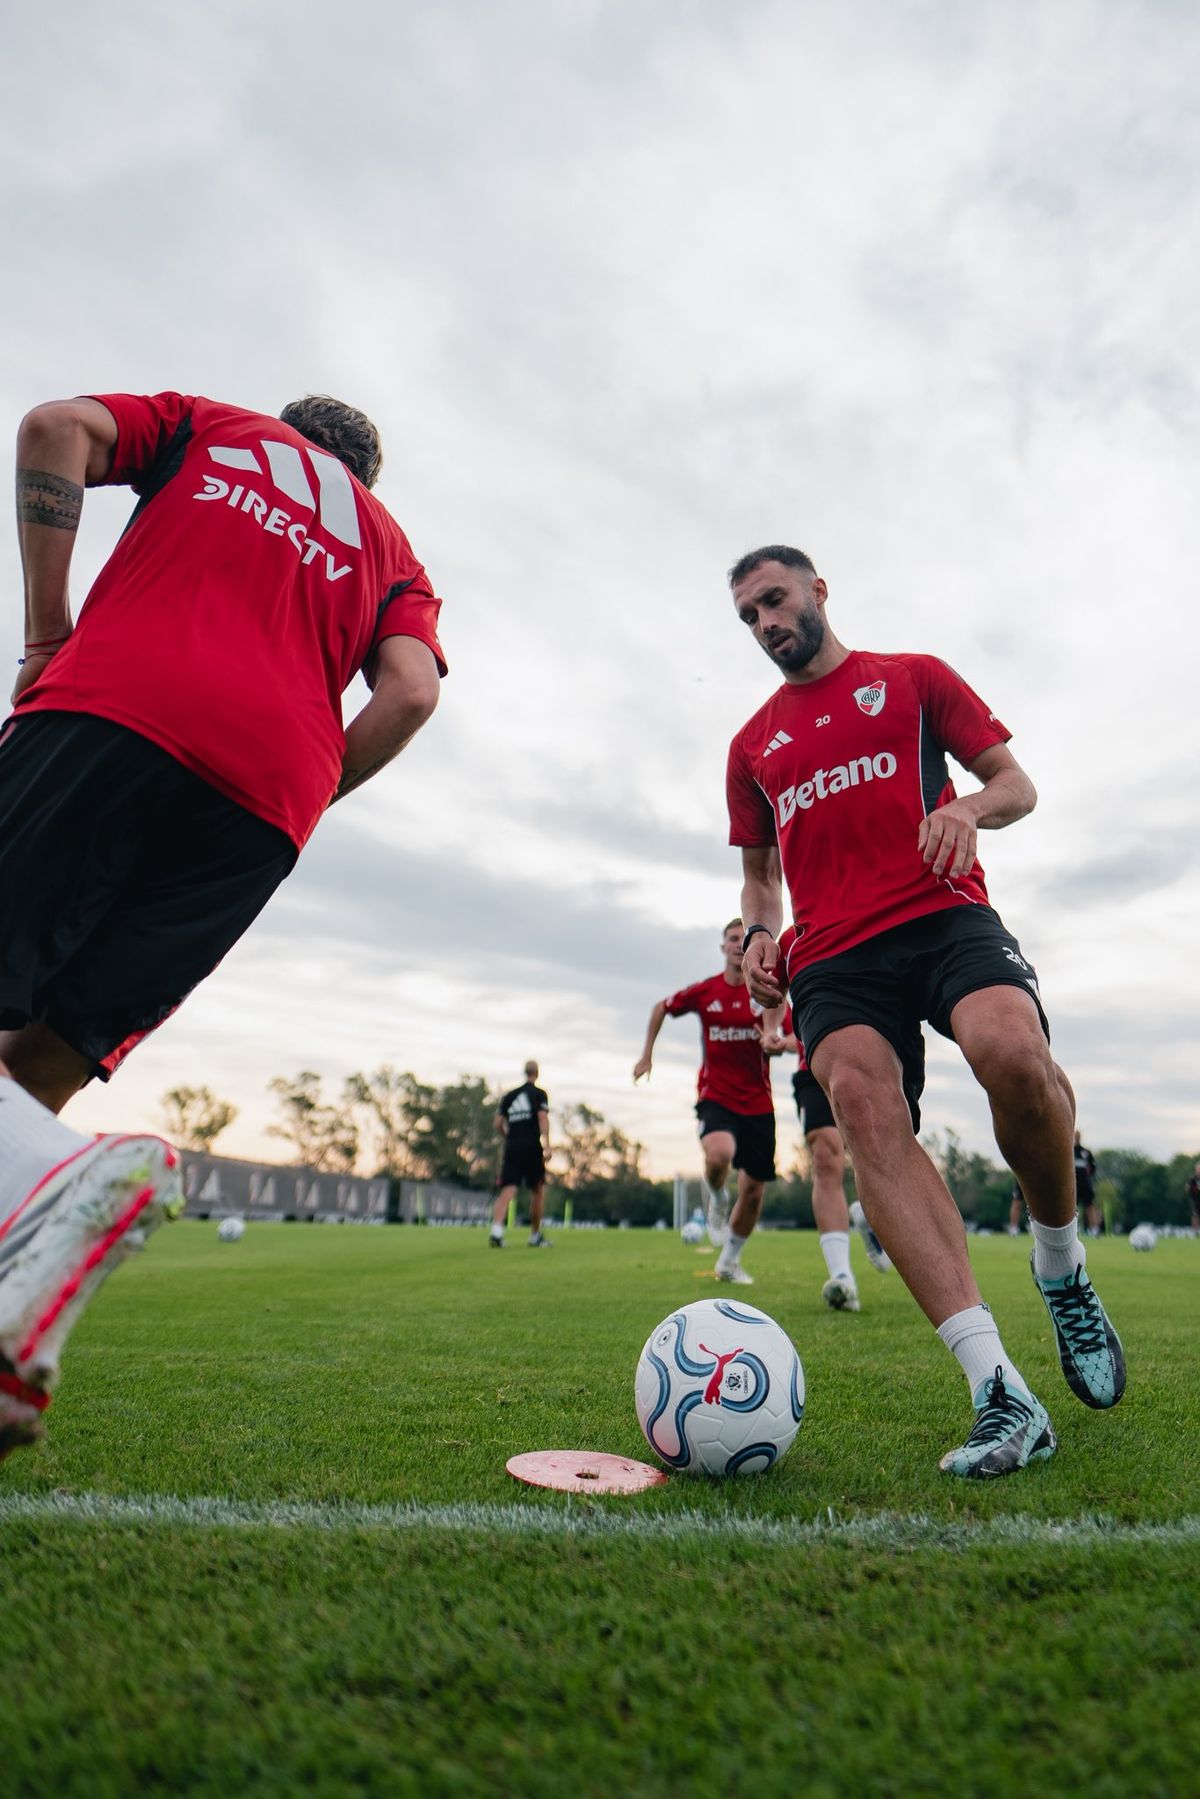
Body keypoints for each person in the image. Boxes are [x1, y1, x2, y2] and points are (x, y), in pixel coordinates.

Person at [0, 390, 445, 1460]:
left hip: (111, 708)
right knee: (44, 1059)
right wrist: (309, 787)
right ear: (365, 479)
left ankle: (51, 1172)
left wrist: (48, 631)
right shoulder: (393, 551)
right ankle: (24, 1242)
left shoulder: (216, 426)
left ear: (289, 427)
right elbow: (412, 692)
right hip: (258, 811)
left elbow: (53, 429)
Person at [726, 543, 1125, 1480]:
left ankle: (1060, 1264)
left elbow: (1017, 784)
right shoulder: (752, 746)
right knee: (864, 1108)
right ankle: (1001, 1390)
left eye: (774, 600)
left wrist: (969, 810)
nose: (765, 624)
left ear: (818, 590)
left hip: (943, 912)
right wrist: (759, 936)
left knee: (1013, 1053)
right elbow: (760, 877)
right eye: (748, 616)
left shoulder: (913, 679)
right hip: (834, 955)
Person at [634, 919, 778, 1284]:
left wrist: (777, 1041)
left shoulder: (765, 992)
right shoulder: (706, 991)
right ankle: (717, 1196)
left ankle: (728, 1262)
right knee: (718, 1154)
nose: (738, 945)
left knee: (754, 1192)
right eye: (732, 939)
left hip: (759, 1103)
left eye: (743, 940)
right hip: (716, 1096)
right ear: (723, 947)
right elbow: (660, 1007)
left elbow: (791, 1032)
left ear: (752, 947)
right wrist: (647, 1055)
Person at [766, 997, 895, 1312]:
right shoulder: (798, 968)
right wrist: (772, 1032)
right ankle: (842, 1277)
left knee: (877, 1155)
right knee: (825, 1158)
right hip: (813, 1070)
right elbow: (774, 986)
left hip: (872, 1060)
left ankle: (871, 1217)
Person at [491, 1061, 551, 1247]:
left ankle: (496, 1232)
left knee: (507, 1190)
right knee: (537, 1191)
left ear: (525, 1073)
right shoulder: (539, 1094)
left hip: (512, 1148)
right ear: (537, 1073)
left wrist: (507, 1136)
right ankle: (535, 1236)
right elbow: (542, 1118)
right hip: (532, 1147)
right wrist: (547, 1145)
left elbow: (497, 1123)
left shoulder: (510, 1096)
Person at [1074, 1132, 1101, 1235]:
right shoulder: (1068, 1151)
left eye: (1078, 1136)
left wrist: (1087, 1175)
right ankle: (1073, 1229)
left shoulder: (1086, 1152)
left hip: (1085, 1184)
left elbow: (1093, 1168)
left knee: (1089, 1207)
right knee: (1072, 1208)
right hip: (1073, 1186)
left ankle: (1094, 1229)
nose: (1076, 1138)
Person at [1188, 1162, 1200, 1234]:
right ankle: (1194, 1231)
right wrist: (1196, 1189)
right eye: (1198, 1169)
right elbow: (1188, 1188)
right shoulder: (1192, 1179)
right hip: (1195, 1200)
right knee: (1195, 1215)